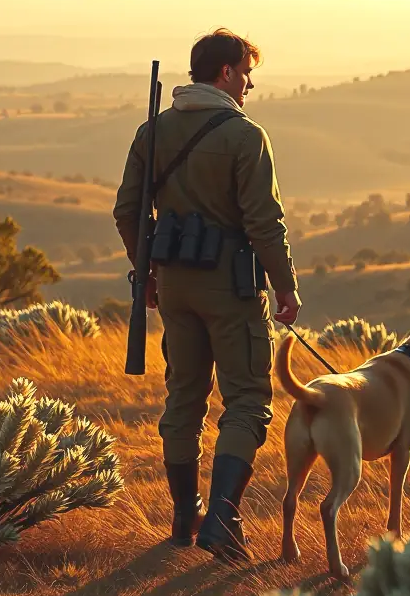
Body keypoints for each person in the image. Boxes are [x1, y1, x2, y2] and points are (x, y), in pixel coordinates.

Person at [113, 28, 301, 562]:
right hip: (232, 286)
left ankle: (183, 518)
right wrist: (286, 287)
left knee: (184, 400)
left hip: (173, 285)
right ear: (225, 73)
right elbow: (265, 224)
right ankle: (222, 521)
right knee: (245, 401)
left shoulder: (152, 132)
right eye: (245, 74)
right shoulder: (245, 136)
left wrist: (146, 274)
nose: (248, 86)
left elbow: (127, 213)